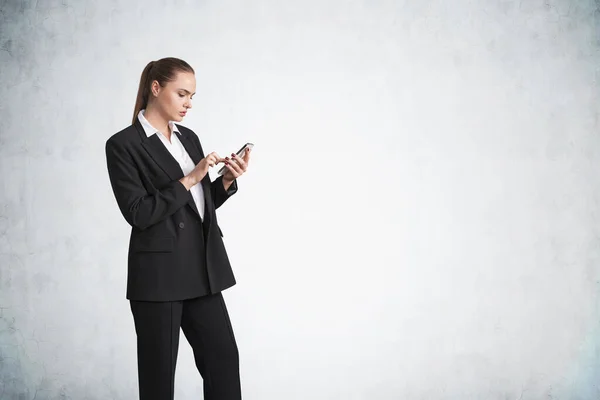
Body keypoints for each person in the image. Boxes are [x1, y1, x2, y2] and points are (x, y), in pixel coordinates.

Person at [105, 57, 250, 400]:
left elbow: (197, 205)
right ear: (156, 89)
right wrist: (189, 178)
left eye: (192, 96)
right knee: (158, 380)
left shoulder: (189, 137)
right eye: (182, 93)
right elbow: (139, 213)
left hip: (202, 270)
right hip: (159, 278)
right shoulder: (123, 144)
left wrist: (225, 181)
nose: (188, 103)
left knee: (223, 362)